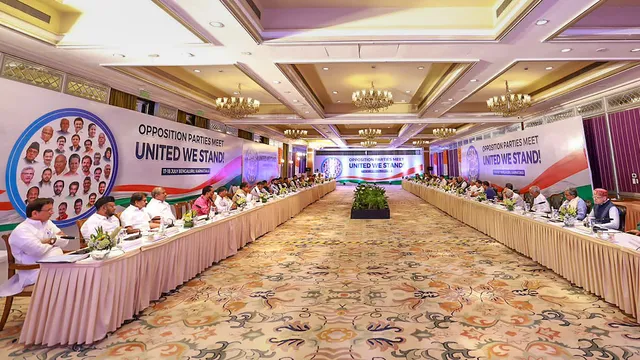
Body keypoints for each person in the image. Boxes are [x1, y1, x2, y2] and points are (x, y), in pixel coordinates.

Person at [0, 198, 68, 296]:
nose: (52, 212)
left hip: (52, 267)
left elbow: (65, 240)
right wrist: (53, 241)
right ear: (35, 213)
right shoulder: (22, 230)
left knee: (75, 274)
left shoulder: (47, 223)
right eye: (48, 210)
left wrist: (48, 241)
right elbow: (37, 250)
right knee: (69, 278)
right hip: (34, 270)